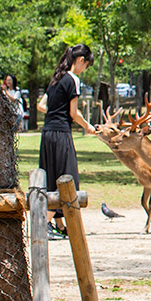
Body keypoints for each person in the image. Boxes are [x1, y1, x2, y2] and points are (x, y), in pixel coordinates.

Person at [40, 45, 96, 239]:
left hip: (47, 133)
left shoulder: (55, 79)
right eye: (86, 65)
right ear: (81, 60)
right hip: (62, 133)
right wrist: (88, 126)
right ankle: (45, 223)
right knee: (67, 177)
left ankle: (59, 225)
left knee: (51, 176)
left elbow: (42, 105)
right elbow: (73, 113)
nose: (84, 70)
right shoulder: (73, 80)